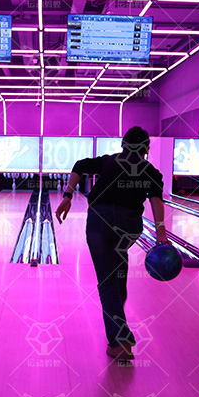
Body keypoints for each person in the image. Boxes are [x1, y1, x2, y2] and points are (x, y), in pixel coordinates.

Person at [54, 126, 170, 362]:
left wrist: (67, 195)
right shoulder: (150, 171)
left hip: (100, 222)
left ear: (123, 145)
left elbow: (79, 165)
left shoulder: (109, 161)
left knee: (108, 282)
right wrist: (160, 232)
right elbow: (156, 200)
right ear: (146, 149)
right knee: (118, 278)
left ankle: (119, 342)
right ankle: (119, 327)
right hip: (128, 227)